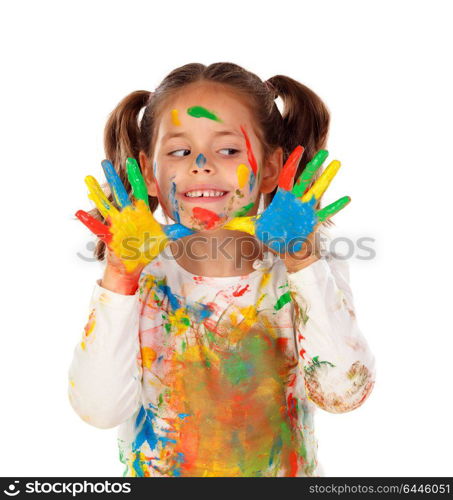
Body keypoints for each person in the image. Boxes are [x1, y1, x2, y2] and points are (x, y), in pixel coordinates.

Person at [67, 62, 376, 477]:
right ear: (149, 173)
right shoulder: (141, 278)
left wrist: (302, 259)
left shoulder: (304, 271)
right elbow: (99, 409)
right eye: (179, 150)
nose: (201, 163)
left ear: (269, 168)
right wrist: (120, 279)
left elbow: (344, 394)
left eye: (228, 150)